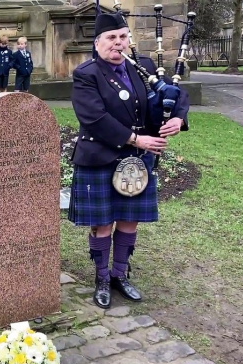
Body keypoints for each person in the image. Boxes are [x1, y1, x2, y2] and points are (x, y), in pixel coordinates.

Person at [69, 12, 189, 309]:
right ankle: (100, 278)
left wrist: (178, 117)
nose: (118, 43)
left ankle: (119, 274)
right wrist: (137, 140)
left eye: (123, 37)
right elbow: (94, 118)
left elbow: (175, 94)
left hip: (136, 159)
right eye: (111, 38)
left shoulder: (143, 67)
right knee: (102, 222)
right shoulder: (87, 74)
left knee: (129, 219)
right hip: (100, 156)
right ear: (97, 43)